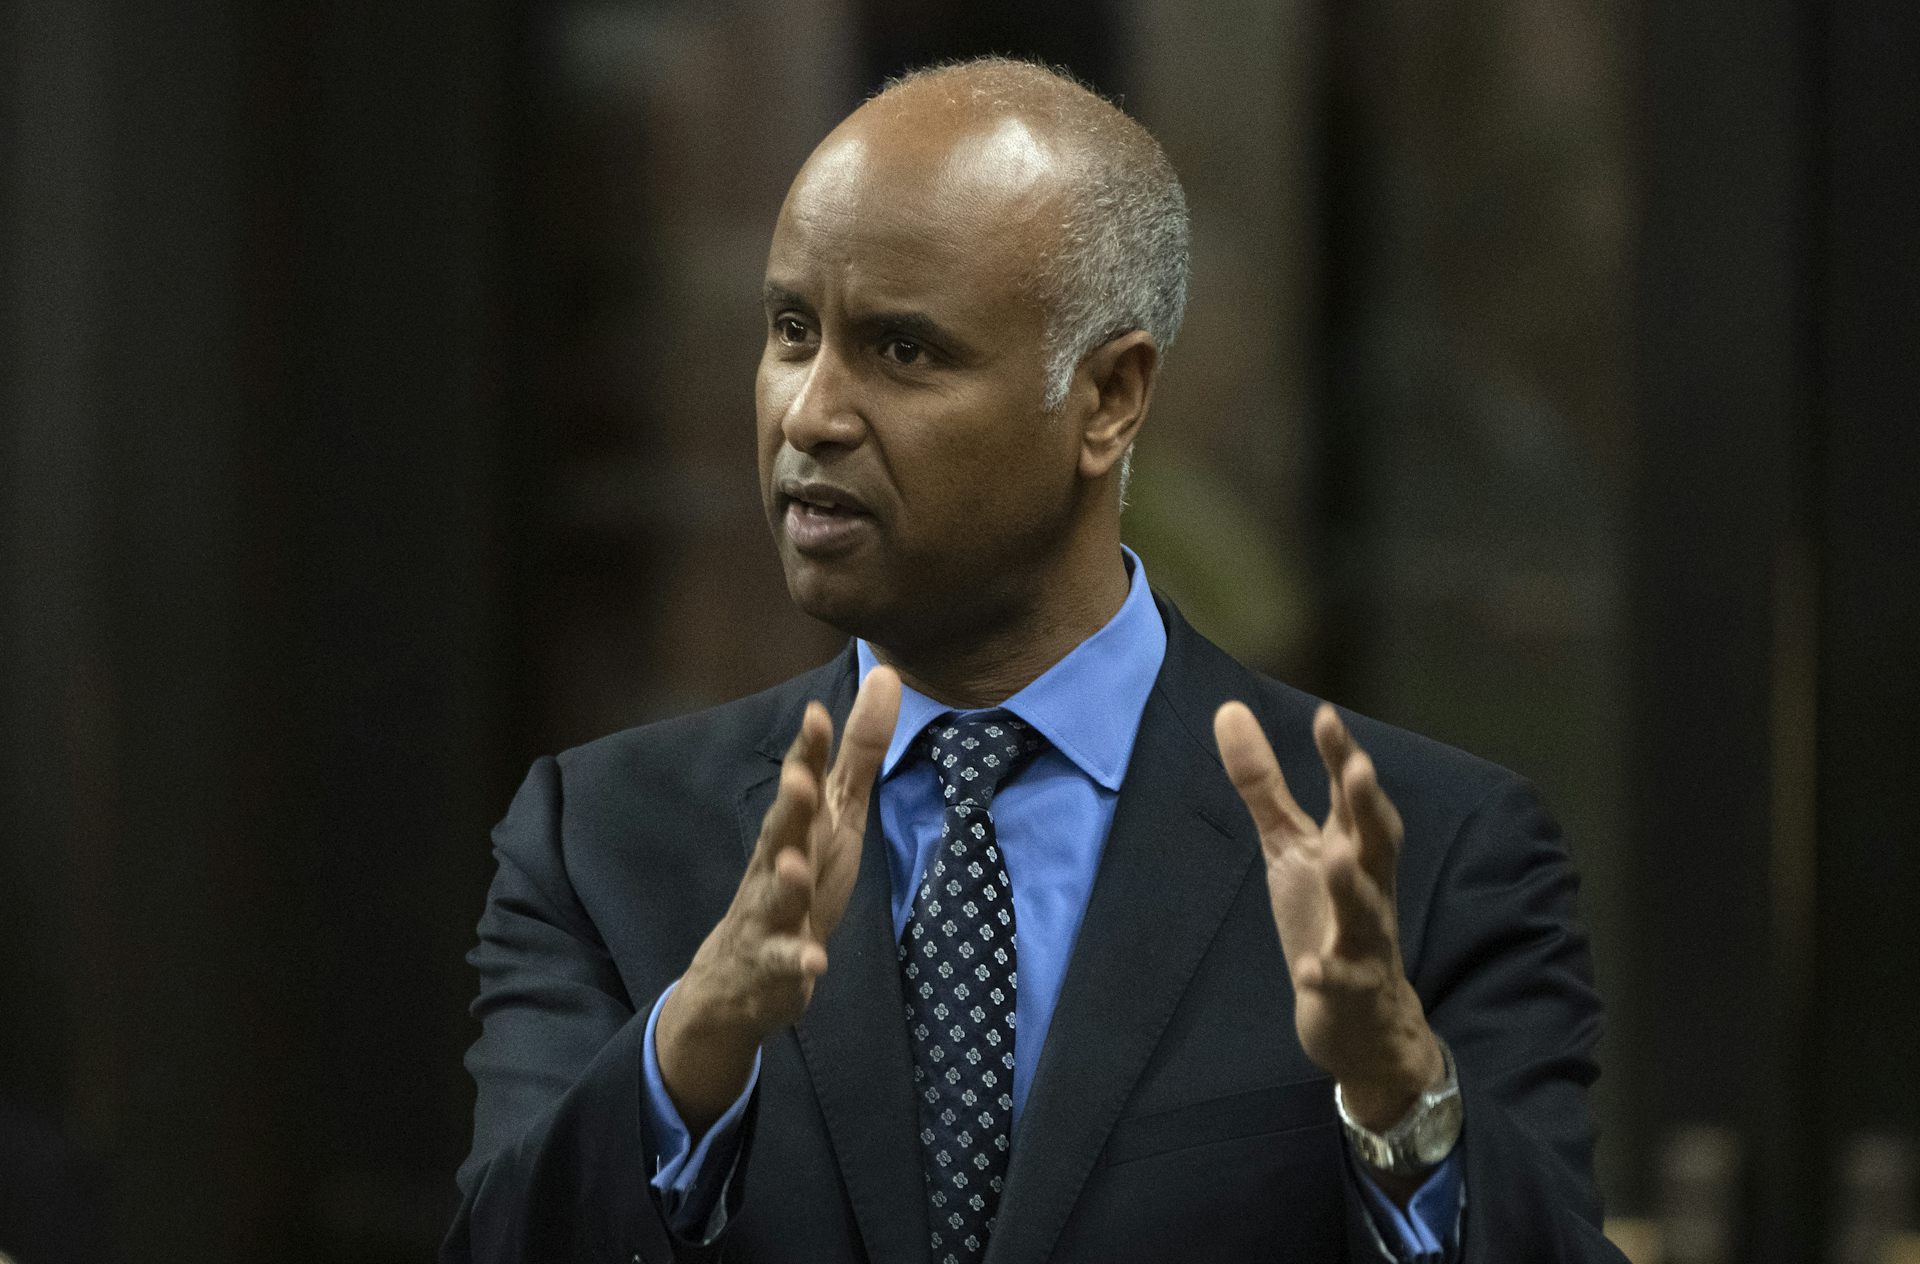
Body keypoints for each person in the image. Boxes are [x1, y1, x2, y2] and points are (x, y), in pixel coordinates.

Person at [444, 56, 1625, 1264]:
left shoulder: (1432, 861)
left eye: (903, 351)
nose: (809, 412)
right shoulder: (603, 839)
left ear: (1109, 397)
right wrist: (699, 1040)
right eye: (793, 331)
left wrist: (1399, 1095)